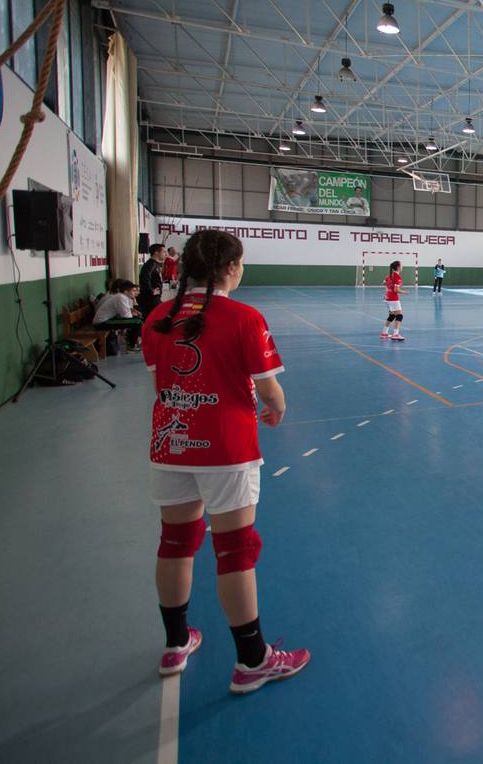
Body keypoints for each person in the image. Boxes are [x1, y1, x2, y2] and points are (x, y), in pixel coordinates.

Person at [142, 229, 309, 693]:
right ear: (230, 268)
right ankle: (253, 660)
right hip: (226, 451)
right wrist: (277, 407)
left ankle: (176, 643)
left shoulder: (158, 316)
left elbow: (158, 383)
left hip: (170, 445)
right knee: (235, 552)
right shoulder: (244, 318)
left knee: (175, 542)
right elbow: (269, 389)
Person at [93, 279, 143, 353]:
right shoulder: (121, 297)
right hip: (101, 323)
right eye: (133, 291)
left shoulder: (122, 297)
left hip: (107, 320)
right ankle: (131, 346)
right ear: (126, 291)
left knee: (137, 321)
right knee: (137, 322)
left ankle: (133, 343)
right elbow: (127, 317)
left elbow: (126, 314)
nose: (135, 293)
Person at [139, 243, 167, 321]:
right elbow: (144, 278)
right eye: (164, 252)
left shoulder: (157, 264)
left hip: (155, 297)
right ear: (156, 252)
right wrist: (151, 291)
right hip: (150, 299)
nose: (166, 254)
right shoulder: (150, 264)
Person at [381, 260, 406, 341]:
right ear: (398, 267)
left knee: (392, 315)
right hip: (393, 299)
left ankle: (384, 333)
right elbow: (396, 290)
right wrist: (404, 292)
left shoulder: (389, 276)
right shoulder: (397, 277)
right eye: (401, 265)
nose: (402, 266)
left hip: (387, 298)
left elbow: (383, 283)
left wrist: (387, 291)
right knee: (399, 315)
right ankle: (395, 334)